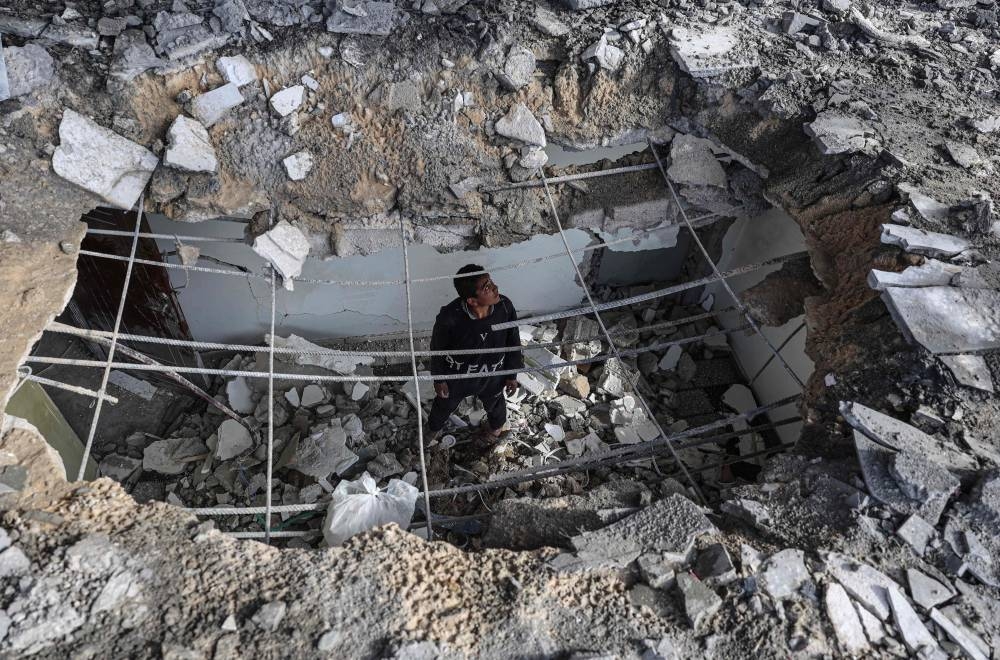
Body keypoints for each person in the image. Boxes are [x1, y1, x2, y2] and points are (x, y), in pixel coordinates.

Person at [427, 264, 523, 444]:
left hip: (492, 373)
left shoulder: (505, 308)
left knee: (495, 404)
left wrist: (511, 374)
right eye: (487, 287)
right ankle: (433, 430)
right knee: (443, 405)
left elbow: (513, 342)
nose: (495, 288)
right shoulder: (450, 318)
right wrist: (439, 379)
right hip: (458, 376)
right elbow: (437, 349)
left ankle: (495, 429)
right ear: (472, 301)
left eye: (491, 282)